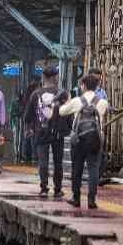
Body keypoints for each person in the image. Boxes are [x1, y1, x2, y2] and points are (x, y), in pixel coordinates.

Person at [60, 74, 109, 209]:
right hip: (95, 140)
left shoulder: (77, 101)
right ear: (97, 86)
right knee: (93, 168)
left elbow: (61, 112)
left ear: (83, 85)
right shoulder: (103, 102)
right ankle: (91, 200)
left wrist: (66, 102)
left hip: (78, 140)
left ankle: (76, 198)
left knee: (77, 168)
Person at [24, 67, 70, 199]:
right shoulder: (63, 94)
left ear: (43, 78)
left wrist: (29, 129)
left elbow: (28, 115)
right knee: (58, 162)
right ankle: (57, 189)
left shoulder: (35, 94)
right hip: (58, 132)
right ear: (55, 77)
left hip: (41, 132)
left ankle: (44, 188)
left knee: (43, 162)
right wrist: (67, 128)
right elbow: (68, 114)